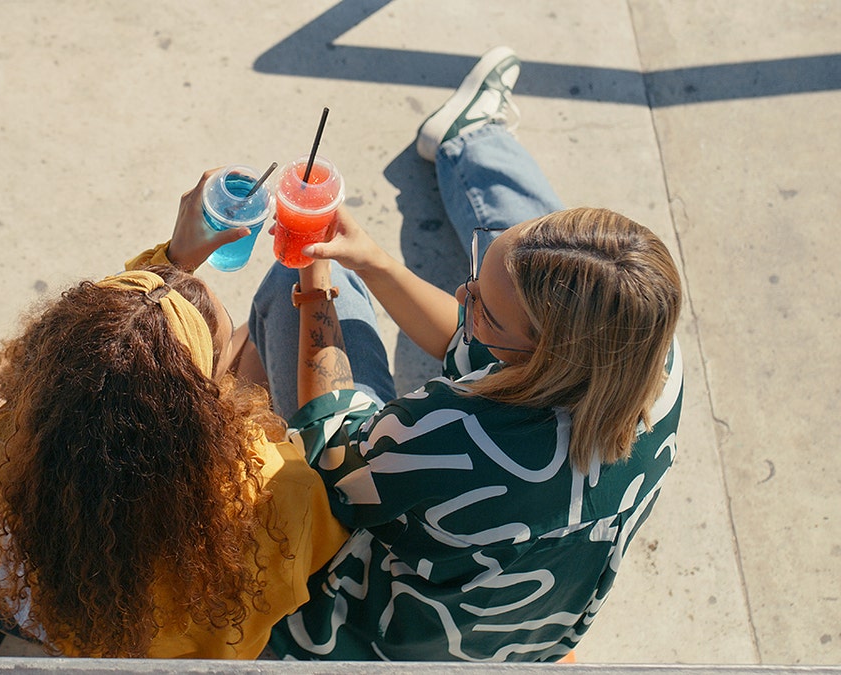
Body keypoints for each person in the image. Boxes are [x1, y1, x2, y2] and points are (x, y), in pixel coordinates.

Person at [245, 46, 685, 661]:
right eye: (481, 265)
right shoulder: (654, 363)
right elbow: (478, 336)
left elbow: (331, 453)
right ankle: (474, 138)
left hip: (390, 642)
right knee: (549, 266)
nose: (461, 290)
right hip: (529, 639)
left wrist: (316, 285)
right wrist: (375, 261)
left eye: (482, 307)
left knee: (288, 290)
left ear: (539, 359)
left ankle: (231, 424)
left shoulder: (452, 438)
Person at [0, 179, 355, 659]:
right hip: (191, 649)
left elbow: (117, 346)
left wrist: (172, 260)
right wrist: (315, 286)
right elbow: (326, 532)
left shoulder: (13, 434)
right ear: (197, 404)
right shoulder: (273, 484)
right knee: (260, 336)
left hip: (62, 615)